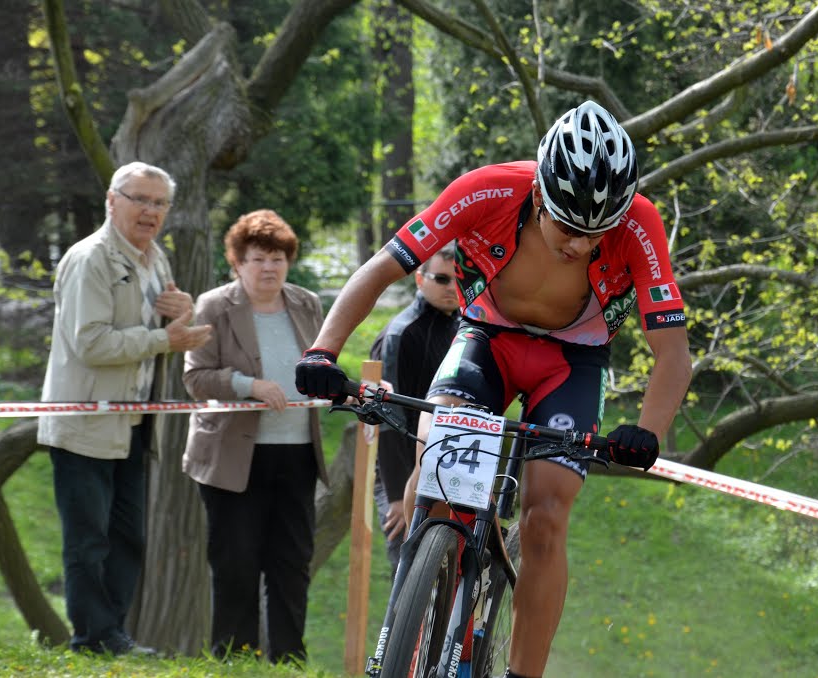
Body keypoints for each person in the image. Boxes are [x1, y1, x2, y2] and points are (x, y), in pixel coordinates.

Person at [296, 101, 692, 678]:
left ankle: (521, 673)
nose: (580, 246)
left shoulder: (639, 223)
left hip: (571, 364)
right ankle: (424, 590)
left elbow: (673, 355)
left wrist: (649, 433)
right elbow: (383, 267)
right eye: (568, 227)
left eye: (595, 233)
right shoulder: (485, 190)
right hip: (488, 341)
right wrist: (322, 350)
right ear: (539, 196)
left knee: (546, 517)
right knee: (439, 471)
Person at [38, 161, 212, 655]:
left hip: (135, 422)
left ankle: (111, 635)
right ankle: (91, 637)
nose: (150, 211)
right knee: (88, 540)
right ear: (112, 201)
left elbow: (163, 323)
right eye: (139, 199)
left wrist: (182, 313)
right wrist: (164, 338)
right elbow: (90, 344)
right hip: (85, 420)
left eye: (159, 203)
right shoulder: (89, 258)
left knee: (129, 537)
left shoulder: (154, 259)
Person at [182, 209, 328, 664]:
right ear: (237, 263)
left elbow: (325, 365)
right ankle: (234, 659)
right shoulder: (213, 306)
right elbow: (196, 378)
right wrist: (249, 386)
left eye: (278, 258)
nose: (269, 267)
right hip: (232, 459)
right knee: (236, 565)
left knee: (291, 563)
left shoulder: (308, 304)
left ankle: (288, 661)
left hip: (298, 453)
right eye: (258, 259)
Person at [370, 242, 459, 577]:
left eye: (458, 278)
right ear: (420, 280)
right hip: (403, 475)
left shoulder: (463, 327)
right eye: (441, 279)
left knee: (451, 583)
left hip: (452, 471)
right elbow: (387, 417)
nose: (452, 287)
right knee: (410, 584)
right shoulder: (400, 334)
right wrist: (395, 494)